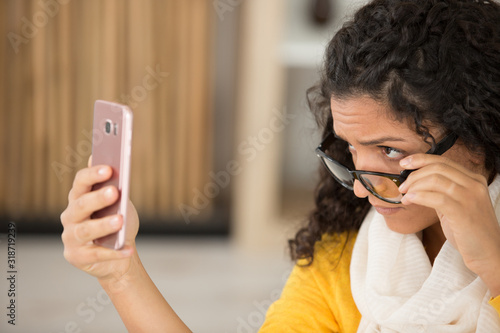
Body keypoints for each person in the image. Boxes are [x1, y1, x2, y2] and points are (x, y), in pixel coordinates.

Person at [61, 0, 500, 331]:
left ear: (481, 132)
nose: (362, 190)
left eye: (388, 152)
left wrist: (493, 262)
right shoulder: (347, 256)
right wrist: (120, 272)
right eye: (349, 152)